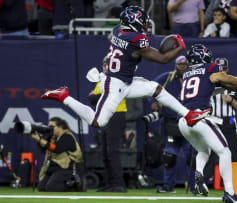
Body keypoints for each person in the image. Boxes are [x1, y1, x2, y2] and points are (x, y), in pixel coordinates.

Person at [41, 6, 211, 132]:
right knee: (98, 122)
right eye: (142, 22)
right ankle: (64, 97)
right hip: (114, 84)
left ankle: (188, 115)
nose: (144, 24)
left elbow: (140, 40)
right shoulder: (135, 39)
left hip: (125, 81)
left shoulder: (117, 30)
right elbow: (162, 58)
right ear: (135, 23)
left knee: (156, 89)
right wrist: (180, 47)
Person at [177, 44, 237, 203]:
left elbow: (206, 89)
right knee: (225, 152)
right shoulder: (209, 68)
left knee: (204, 151)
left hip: (183, 121)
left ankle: (199, 173)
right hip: (199, 117)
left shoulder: (187, 73)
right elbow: (234, 80)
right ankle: (230, 192)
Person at [152, 55, 195, 194]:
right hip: (171, 122)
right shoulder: (168, 78)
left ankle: (195, 187)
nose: (182, 67)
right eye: (179, 64)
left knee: (192, 156)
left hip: (189, 122)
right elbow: (150, 88)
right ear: (175, 65)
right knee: (169, 155)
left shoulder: (194, 79)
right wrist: (153, 102)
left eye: (184, 64)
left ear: (188, 65)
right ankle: (168, 186)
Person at [88, 56, 127, 192]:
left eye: (109, 64)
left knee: (112, 151)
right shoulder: (102, 79)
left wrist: (96, 96)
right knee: (105, 152)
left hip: (116, 115)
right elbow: (92, 98)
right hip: (106, 115)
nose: (106, 67)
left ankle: (118, 184)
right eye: (105, 64)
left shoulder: (118, 78)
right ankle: (110, 182)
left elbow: (99, 96)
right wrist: (96, 96)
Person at [210, 57, 237, 196]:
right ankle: (199, 185)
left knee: (235, 155)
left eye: (223, 69)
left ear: (227, 69)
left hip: (228, 123)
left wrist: (231, 100)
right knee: (205, 153)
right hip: (211, 122)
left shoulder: (234, 85)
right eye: (219, 69)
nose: (221, 71)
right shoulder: (208, 84)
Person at [33, 117, 83, 192]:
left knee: (51, 187)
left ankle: (74, 186)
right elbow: (43, 149)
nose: (49, 129)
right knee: (41, 187)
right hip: (52, 168)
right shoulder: (53, 138)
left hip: (65, 169)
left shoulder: (67, 136)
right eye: (48, 126)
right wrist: (41, 139)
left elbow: (57, 149)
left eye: (52, 127)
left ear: (60, 127)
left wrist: (40, 140)